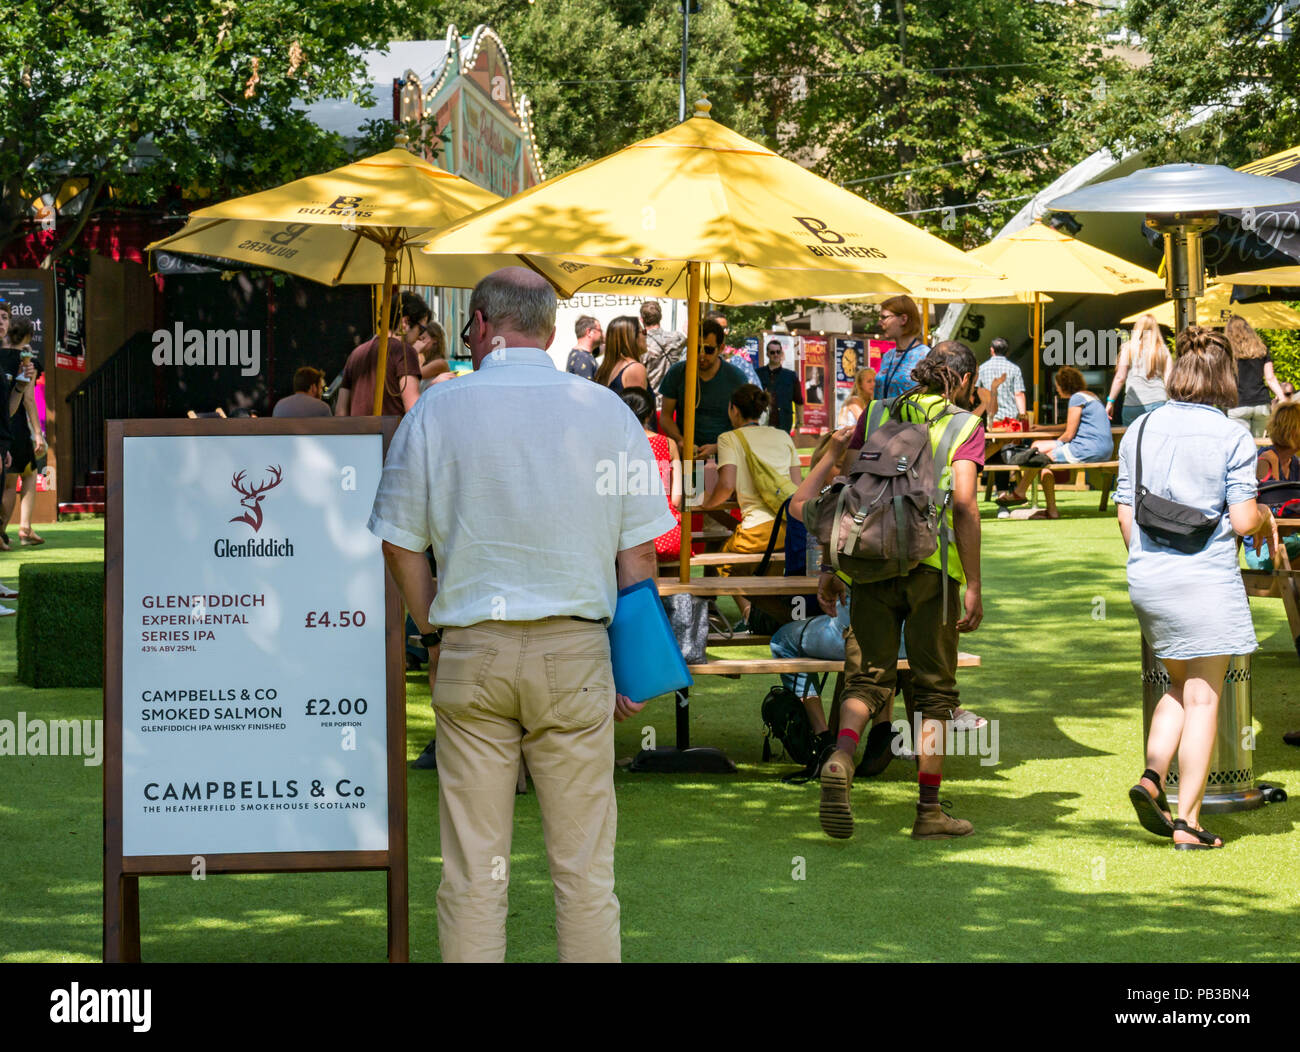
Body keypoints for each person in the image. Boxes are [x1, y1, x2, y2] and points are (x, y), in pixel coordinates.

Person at [368, 267, 674, 962]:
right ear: (552, 327)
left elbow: (398, 541)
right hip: (576, 651)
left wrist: (434, 631)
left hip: (472, 647)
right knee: (585, 870)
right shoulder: (607, 413)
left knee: (474, 873)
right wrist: (633, 664)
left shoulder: (435, 412)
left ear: (478, 323)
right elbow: (639, 559)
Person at [791, 340, 985, 840]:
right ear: (962, 381)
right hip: (933, 570)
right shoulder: (964, 424)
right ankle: (928, 811)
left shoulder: (876, 410)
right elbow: (963, 505)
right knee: (934, 692)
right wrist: (975, 583)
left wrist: (833, 567)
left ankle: (840, 757)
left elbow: (852, 489)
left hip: (869, 563)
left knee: (865, 681)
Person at [1117, 326, 1278, 850]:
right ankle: (1187, 823)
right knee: (1205, 697)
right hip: (1205, 579)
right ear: (1224, 377)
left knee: (1175, 686)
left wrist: (1147, 559)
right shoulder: (1232, 435)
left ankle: (1151, 776)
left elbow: (1125, 510)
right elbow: (1241, 516)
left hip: (1149, 578)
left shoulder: (1139, 428)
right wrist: (1264, 517)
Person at [697, 384, 802, 626]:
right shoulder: (783, 435)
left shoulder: (728, 439)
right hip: (789, 528)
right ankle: (769, 616)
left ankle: (749, 615)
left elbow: (726, 485)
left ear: (733, 409)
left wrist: (707, 503)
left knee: (723, 561)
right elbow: (797, 486)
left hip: (756, 531)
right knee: (768, 569)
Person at [995, 365, 1113, 518]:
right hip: (1102, 448)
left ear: (1065, 385)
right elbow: (1071, 424)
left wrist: (1057, 442)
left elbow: (1069, 434)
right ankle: (1022, 492)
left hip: (1086, 448)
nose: (1056, 390)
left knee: (1040, 460)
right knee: (1037, 446)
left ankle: (1029, 497)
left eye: (1057, 386)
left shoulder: (1076, 399)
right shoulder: (1089, 396)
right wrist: (1044, 429)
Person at [658, 317, 747, 456]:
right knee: (692, 479)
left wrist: (718, 447)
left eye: (709, 350)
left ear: (721, 348)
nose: (701, 355)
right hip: (689, 457)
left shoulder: (736, 378)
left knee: (718, 479)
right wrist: (681, 440)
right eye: (697, 348)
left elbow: (746, 424)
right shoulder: (677, 373)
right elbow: (665, 416)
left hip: (725, 458)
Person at [336, 291, 426, 416]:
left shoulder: (356, 354)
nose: (421, 337)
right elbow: (414, 411)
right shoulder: (405, 352)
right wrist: (432, 389)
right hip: (392, 434)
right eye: (421, 329)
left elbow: (340, 412)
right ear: (405, 322)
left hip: (359, 434)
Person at [621, 386, 681, 558]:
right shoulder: (669, 444)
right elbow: (676, 499)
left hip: (630, 540)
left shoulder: (616, 446)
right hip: (668, 536)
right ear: (649, 414)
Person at [1, 319, 45, 547]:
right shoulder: (27, 361)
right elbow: (28, 399)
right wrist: (38, 432)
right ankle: (22, 528)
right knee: (23, 477)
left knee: (9, 480)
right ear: (28, 336)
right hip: (14, 425)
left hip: (4, 424)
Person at [1243, 401, 1300, 571]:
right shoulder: (1265, 461)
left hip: (1290, 544)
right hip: (1264, 549)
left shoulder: (1294, 463)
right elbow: (1272, 509)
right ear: (1292, 431)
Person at [1225, 315, 1287, 437]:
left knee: (1240, 446)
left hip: (1238, 403)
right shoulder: (1261, 350)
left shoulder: (1227, 352)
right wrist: (1282, 397)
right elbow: (1270, 378)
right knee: (1258, 447)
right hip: (1261, 404)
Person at [1106, 313, 1170, 425]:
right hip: (1158, 401)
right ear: (1155, 329)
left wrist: (1110, 401)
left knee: (1132, 440)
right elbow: (1169, 378)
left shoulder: (1128, 348)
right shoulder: (1163, 350)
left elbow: (1120, 378)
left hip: (1133, 403)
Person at [875, 295, 930, 400]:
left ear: (903, 319)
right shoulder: (888, 356)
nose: (880, 323)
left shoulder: (926, 356)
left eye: (884, 317)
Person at [976, 337, 1027, 427]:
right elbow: (1019, 394)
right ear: (1008, 352)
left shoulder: (982, 368)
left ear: (992, 350)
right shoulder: (1014, 369)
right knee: (1010, 441)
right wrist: (1023, 416)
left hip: (991, 417)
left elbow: (976, 391)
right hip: (1011, 418)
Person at [640, 301, 685, 396]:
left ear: (641, 320)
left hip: (651, 399)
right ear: (661, 317)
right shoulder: (676, 337)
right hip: (672, 399)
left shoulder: (642, 344)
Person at [758, 339, 804, 433]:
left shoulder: (791, 376)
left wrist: (800, 420)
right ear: (767, 354)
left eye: (778, 352)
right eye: (772, 352)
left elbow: (798, 400)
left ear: (781, 353)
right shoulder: (758, 373)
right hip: (762, 422)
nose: (775, 355)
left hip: (783, 422)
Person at [706, 310, 762, 386]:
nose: (726, 332)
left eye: (726, 328)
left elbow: (756, 391)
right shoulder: (692, 357)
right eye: (721, 328)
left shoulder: (738, 362)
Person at [594, 316, 647, 394]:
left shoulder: (606, 369)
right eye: (643, 331)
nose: (645, 336)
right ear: (631, 337)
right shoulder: (634, 369)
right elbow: (637, 405)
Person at [417, 320, 450, 393]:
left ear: (435, 339)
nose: (420, 342)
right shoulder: (425, 361)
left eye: (423, 338)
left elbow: (415, 374)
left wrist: (415, 350)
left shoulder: (440, 363)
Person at [566, 315, 603, 380]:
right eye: (600, 330)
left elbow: (605, 348)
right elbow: (585, 389)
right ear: (589, 332)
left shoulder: (582, 354)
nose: (602, 334)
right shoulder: (582, 358)